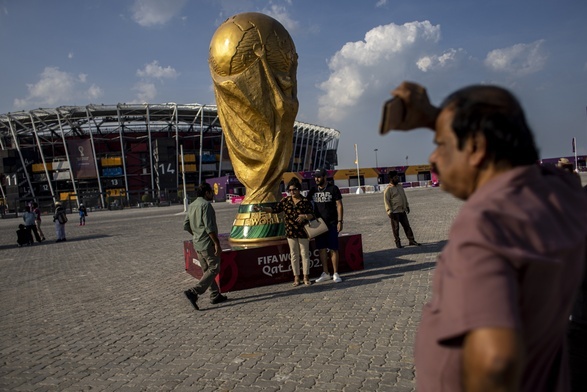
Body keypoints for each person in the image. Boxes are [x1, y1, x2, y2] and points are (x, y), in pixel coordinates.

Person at [384, 81, 587, 391]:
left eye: (441, 143)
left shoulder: (487, 224)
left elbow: (496, 361)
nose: (434, 157)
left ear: (477, 148)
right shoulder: (560, 192)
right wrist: (435, 116)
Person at [254, 178, 315, 286]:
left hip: (303, 231)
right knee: (294, 254)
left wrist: (304, 216)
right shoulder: (285, 201)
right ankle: (296, 277)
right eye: (290, 190)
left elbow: (312, 214)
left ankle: (306, 276)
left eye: (294, 189)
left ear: (299, 189)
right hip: (290, 231)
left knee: (305, 254)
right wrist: (262, 209)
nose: (292, 192)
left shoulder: (305, 201)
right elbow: (275, 209)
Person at [183, 182, 227, 310]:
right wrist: (217, 244)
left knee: (207, 270)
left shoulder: (191, 205)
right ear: (206, 193)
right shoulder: (206, 205)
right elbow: (209, 228)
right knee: (214, 268)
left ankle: (215, 295)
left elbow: (186, 225)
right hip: (207, 243)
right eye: (211, 192)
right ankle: (194, 291)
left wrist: (196, 234)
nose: (213, 194)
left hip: (197, 243)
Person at [307, 168, 344, 283]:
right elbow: (306, 204)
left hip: (332, 223)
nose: (316, 179)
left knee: (333, 248)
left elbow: (339, 205)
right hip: (318, 225)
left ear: (324, 177)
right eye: (315, 177)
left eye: (318, 176)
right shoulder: (313, 190)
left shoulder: (333, 188)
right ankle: (326, 273)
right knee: (322, 249)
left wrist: (340, 221)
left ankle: (336, 273)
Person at [383, 175, 421, 248]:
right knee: (396, 228)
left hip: (402, 210)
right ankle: (398, 242)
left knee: (407, 226)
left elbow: (404, 197)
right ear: (391, 179)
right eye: (395, 177)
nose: (397, 179)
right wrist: (389, 211)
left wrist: (406, 206)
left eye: (397, 177)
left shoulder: (400, 187)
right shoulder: (388, 189)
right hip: (394, 212)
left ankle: (411, 240)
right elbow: (386, 201)